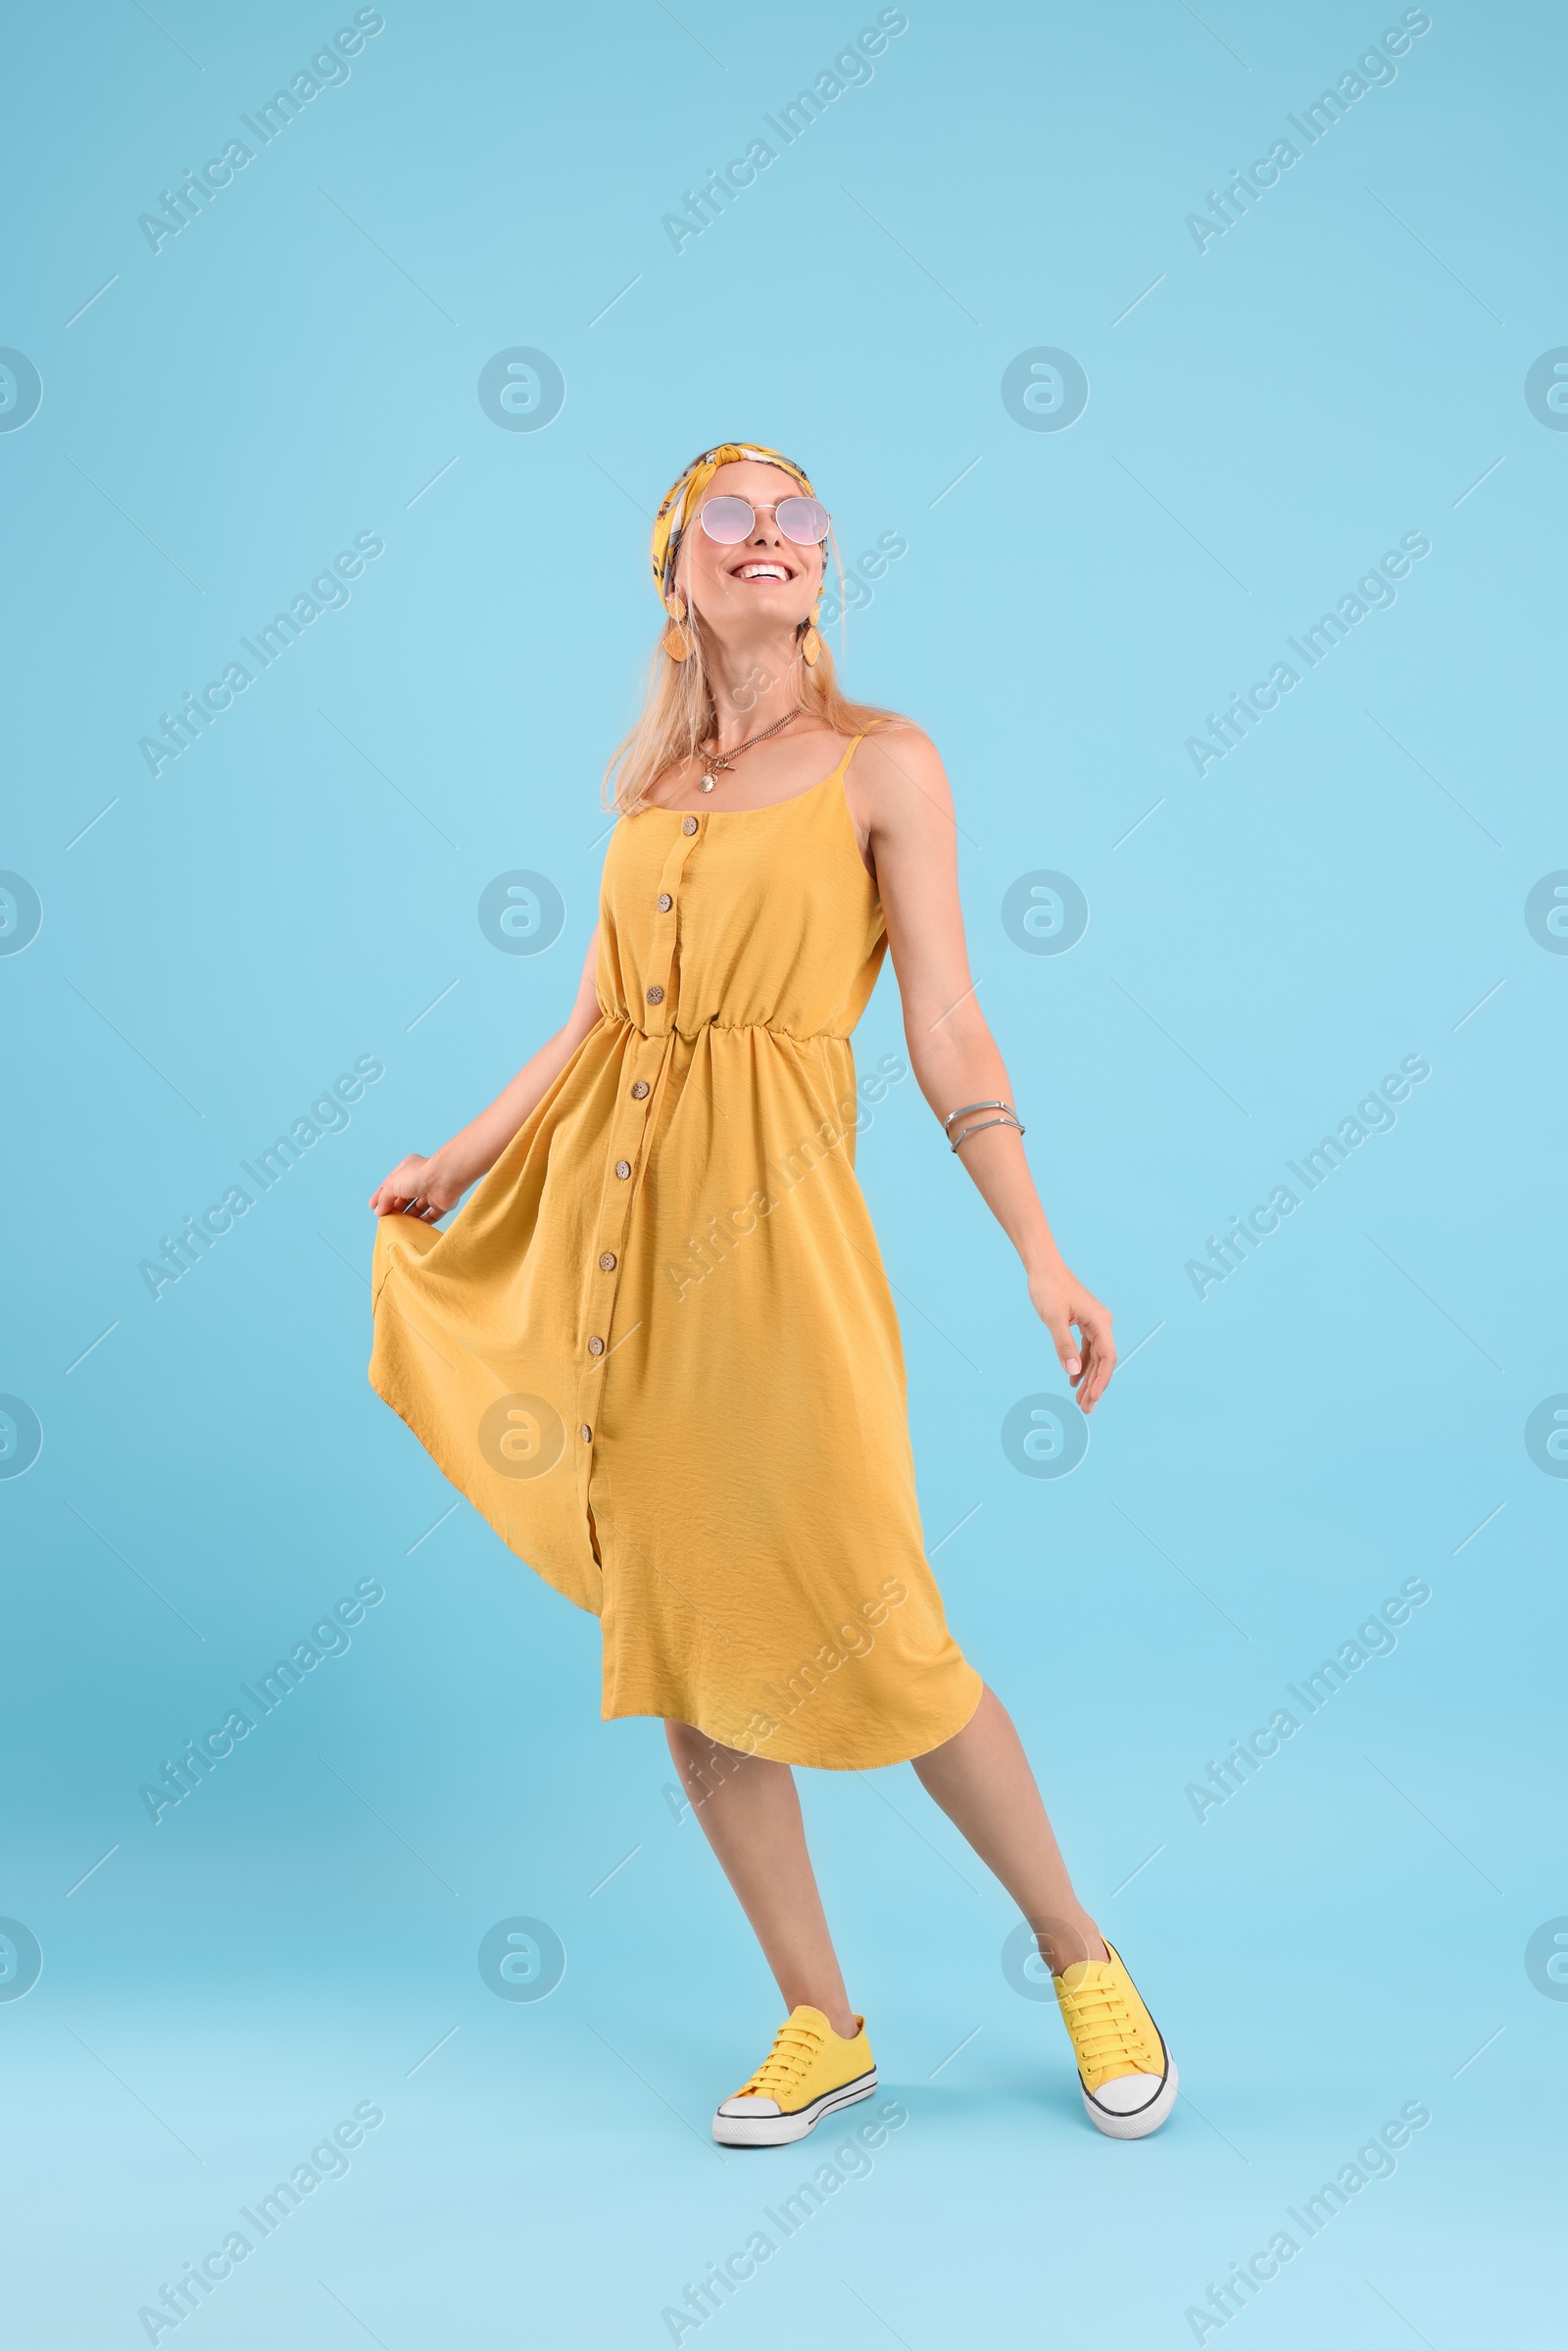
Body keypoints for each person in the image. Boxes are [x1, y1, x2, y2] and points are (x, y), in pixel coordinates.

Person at [368, 441, 1175, 2145]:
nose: (771, 537)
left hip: (784, 1248)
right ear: (674, 571)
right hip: (622, 1249)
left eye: (798, 517)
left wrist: (1041, 1246)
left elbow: (944, 1022)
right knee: (681, 1641)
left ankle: (1077, 1947)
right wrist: (458, 1155)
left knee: (879, 1609)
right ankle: (821, 2016)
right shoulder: (650, 800)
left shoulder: (886, 766)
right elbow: (594, 1026)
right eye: (730, 515)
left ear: (823, 570)